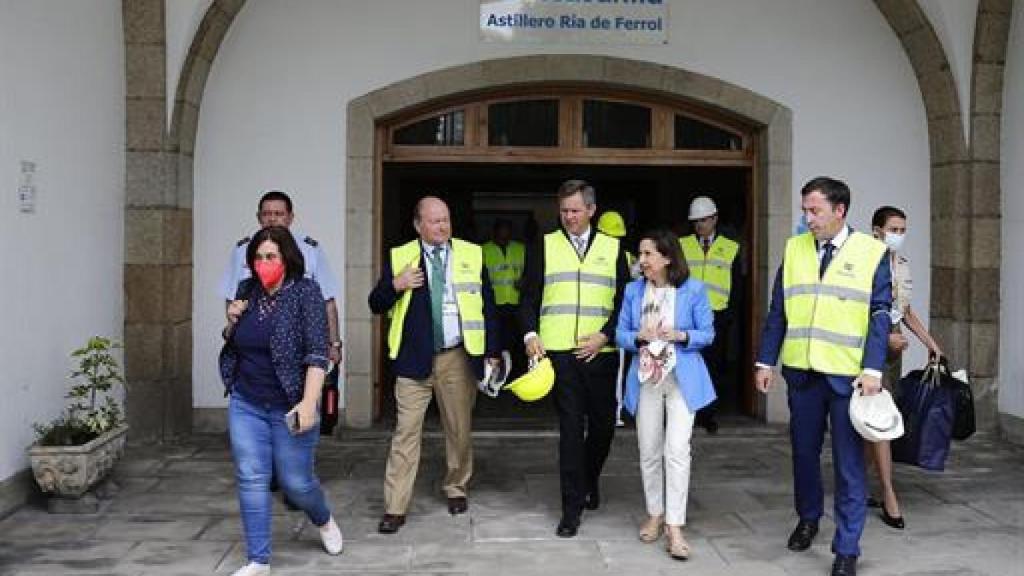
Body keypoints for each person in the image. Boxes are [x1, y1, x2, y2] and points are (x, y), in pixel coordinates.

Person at [755, 177, 891, 576]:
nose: (807, 218)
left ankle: (847, 547)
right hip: (802, 374)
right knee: (803, 454)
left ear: (840, 210)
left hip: (849, 378)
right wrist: (766, 362)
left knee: (849, 464)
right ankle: (809, 518)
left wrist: (872, 369)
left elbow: (879, 314)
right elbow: (778, 310)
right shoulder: (794, 248)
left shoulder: (871, 252)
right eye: (805, 210)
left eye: (815, 210)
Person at [368, 196, 501, 534]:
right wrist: (396, 285)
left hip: (457, 356)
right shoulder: (401, 256)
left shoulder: (472, 253)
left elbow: (488, 305)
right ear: (418, 225)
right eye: (434, 220)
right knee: (405, 434)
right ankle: (395, 507)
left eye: (446, 219)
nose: (442, 226)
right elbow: (376, 302)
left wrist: (493, 350)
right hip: (413, 360)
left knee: (459, 429)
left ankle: (456, 486)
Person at [219, 226, 343, 576]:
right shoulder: (247, 291)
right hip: (247, 399)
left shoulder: (306, 293)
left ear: (287, 258)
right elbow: (236, 338)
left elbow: (318, 353)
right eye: (257, 257)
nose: (263, 263)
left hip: (290, 402)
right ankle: (258, 560)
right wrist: (231, 323)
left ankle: (322, 518)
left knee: (296, 482)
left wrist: (308, 403)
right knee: (251, 476)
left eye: (270, 256)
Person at [519, 179, 630, 538]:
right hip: (560, 355)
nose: (568, 217)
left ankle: (588, 480)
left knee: (602, 427)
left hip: (602, 354)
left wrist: (606, 335)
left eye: (575, 210)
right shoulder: (545, 245)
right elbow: (528, 297)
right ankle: (571, 508)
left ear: (591, 210)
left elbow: (625, 303)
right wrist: (531, 334)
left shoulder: (614, 249)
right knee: (569, 430)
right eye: (564, 210)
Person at [615, 228, 716, 561]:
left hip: (682, 379)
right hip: (645, 379)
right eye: (640, 254)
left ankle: (675, 525)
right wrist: (638, 337)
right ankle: (655, 513)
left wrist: (681, 334)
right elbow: (620, 334)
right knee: (648, 449)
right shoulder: (633, 291)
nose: (641, 261)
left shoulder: (694, 290)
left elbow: (708, 333)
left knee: (677, 450)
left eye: (648, 254)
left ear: (667, 257)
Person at [866, 205, 943, 530]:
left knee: (875, 422)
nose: (899, 235)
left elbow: (905, 311)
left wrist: (931, 343)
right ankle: (888, 493)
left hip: (894, 350)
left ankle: (863, 484)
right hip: (872, 351)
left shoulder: (902, 265)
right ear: (876, 230)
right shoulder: (866, 264)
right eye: (893, 229)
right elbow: (863, 314)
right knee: (879, 424)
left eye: (902, 230)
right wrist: (885, 342)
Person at [221, 191, 343, 368]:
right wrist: (233, 335)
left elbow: (328, 302)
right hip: (253, 349)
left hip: (298, 348)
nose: (272, 219)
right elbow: (231, 297)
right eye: (266, 214)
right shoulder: (242, 250)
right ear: (258, 217)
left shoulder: (310, 250)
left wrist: (334, 344)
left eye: (278, 214)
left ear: (290, 217)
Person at [679, 196, 740, 434]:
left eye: (704, 220)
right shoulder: (682, 245)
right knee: (688, 366)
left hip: (717, 317)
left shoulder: (730, 247)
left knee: (713, 368)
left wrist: (730, 315)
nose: (700, 226)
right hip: (687, 317)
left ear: (715, 219)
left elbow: (737, 285)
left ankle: (709, 414)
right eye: (696, 222)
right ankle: (689, 413)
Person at [596, 210, 639, 427]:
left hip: (620, 322)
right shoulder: (626, 257)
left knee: (620, 370)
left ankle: (618, 411)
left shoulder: (628, 259)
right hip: (603, 322)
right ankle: (613, 411)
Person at [482, 219, 526, 379]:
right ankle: (496, 375)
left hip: (516, 303)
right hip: (494, 304)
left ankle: (514, 375)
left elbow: (530, 274)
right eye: (501, 236)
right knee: (496, 342)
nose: (504, 239)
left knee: (516, 342)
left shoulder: (520, 249)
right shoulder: (483, 250)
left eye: (507, 236)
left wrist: (525, 282)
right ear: (494, 234)